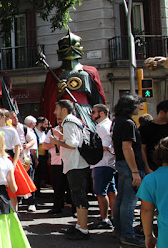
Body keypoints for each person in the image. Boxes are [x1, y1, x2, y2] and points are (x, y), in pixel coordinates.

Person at [40, 30, 106, 132]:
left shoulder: (89, 72)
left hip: (85, 112)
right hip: (64, 112)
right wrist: (58, 93)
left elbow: (97, 98)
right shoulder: (54, 75)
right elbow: (49, 100)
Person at [49, 100, 91, 240]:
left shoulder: (68, 122)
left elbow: (72, 144)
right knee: (76, 196)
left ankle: (83, 229)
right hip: (78, 163)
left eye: (56, 108)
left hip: (75, 164)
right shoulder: (75, 121)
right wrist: (61, 137)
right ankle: (79, 225)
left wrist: (57, 142)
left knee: (79, 196)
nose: (55, 112)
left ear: (64, 109)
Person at [111, 93, 146, 247]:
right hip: (129, 165)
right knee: (129, 202)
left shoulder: (117, 121)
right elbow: (127, 147)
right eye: (138, 105)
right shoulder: (128, 123)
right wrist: (135, 171)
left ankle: (119, 229)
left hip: (121, 163)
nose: (140, 107)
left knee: (122, 199)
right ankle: (127, 234)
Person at [0, 109, 35, 211]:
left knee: (11, 188)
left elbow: (17, 148)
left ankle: (14, 213)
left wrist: (14, 164)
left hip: (9, 158)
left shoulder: (12, 130)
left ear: (3, 117)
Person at [140, 100, 168, 174]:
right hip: (154, 169)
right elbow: (142, 149)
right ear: (162, 113)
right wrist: (147, 168)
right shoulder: (145, 128)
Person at [89, 104, 116, 230]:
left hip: (101, 162)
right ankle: (114, 217)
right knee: (110, 191)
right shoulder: (107, 125)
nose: (91, 114)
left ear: (103, 113)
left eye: (94, 112)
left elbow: (104, 146)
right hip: (107, 163)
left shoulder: (103, 127)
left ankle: (104, 218)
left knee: (101, 192)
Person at [41, 118, 70, 214]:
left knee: (70, 185)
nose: (60, 122)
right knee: (57, 186)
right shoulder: (52, 131)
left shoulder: (70, 129)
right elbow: (44, 145)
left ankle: (72, 206)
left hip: (69, 161)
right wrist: (55, 145)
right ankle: (57, 206)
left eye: (62, 120)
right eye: (58, 120)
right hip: (56, 162)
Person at [20, 115, 38, 212]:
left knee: (29, 181)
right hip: (15, 160)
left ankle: (31, 202)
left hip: (25, 160)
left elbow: (33, 146)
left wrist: (34, 158)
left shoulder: (27, 131)